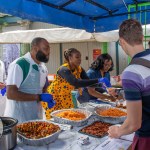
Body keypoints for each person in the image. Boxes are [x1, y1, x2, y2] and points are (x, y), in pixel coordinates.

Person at [108, 18, 150, 150]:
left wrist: (118, 131)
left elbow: (133, 124)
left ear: (122, 41)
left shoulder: (131, 72)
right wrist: (122, 92)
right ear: (142, 37)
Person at [42, 48, 107, 119]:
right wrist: (98, 80)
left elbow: (87, 82)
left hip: (66, 95)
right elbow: (75, 82)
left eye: (80, 57)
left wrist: (101, 85)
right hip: (55, 96)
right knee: (55, 117)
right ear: (70, 58)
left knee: (69, 116)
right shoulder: (63, 69)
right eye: (77, 57)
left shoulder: (79, 69)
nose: (80, 59)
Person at [4, 37, 54, 123]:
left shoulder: (43, 67)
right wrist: (39, 97)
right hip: (18, 119)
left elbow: (44, 87)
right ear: (35, 48)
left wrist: (47, 95)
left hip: (36, 116)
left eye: (49, 49)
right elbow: (11, 94)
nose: (48, 52)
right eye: (45, 49)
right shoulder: (19, 64)